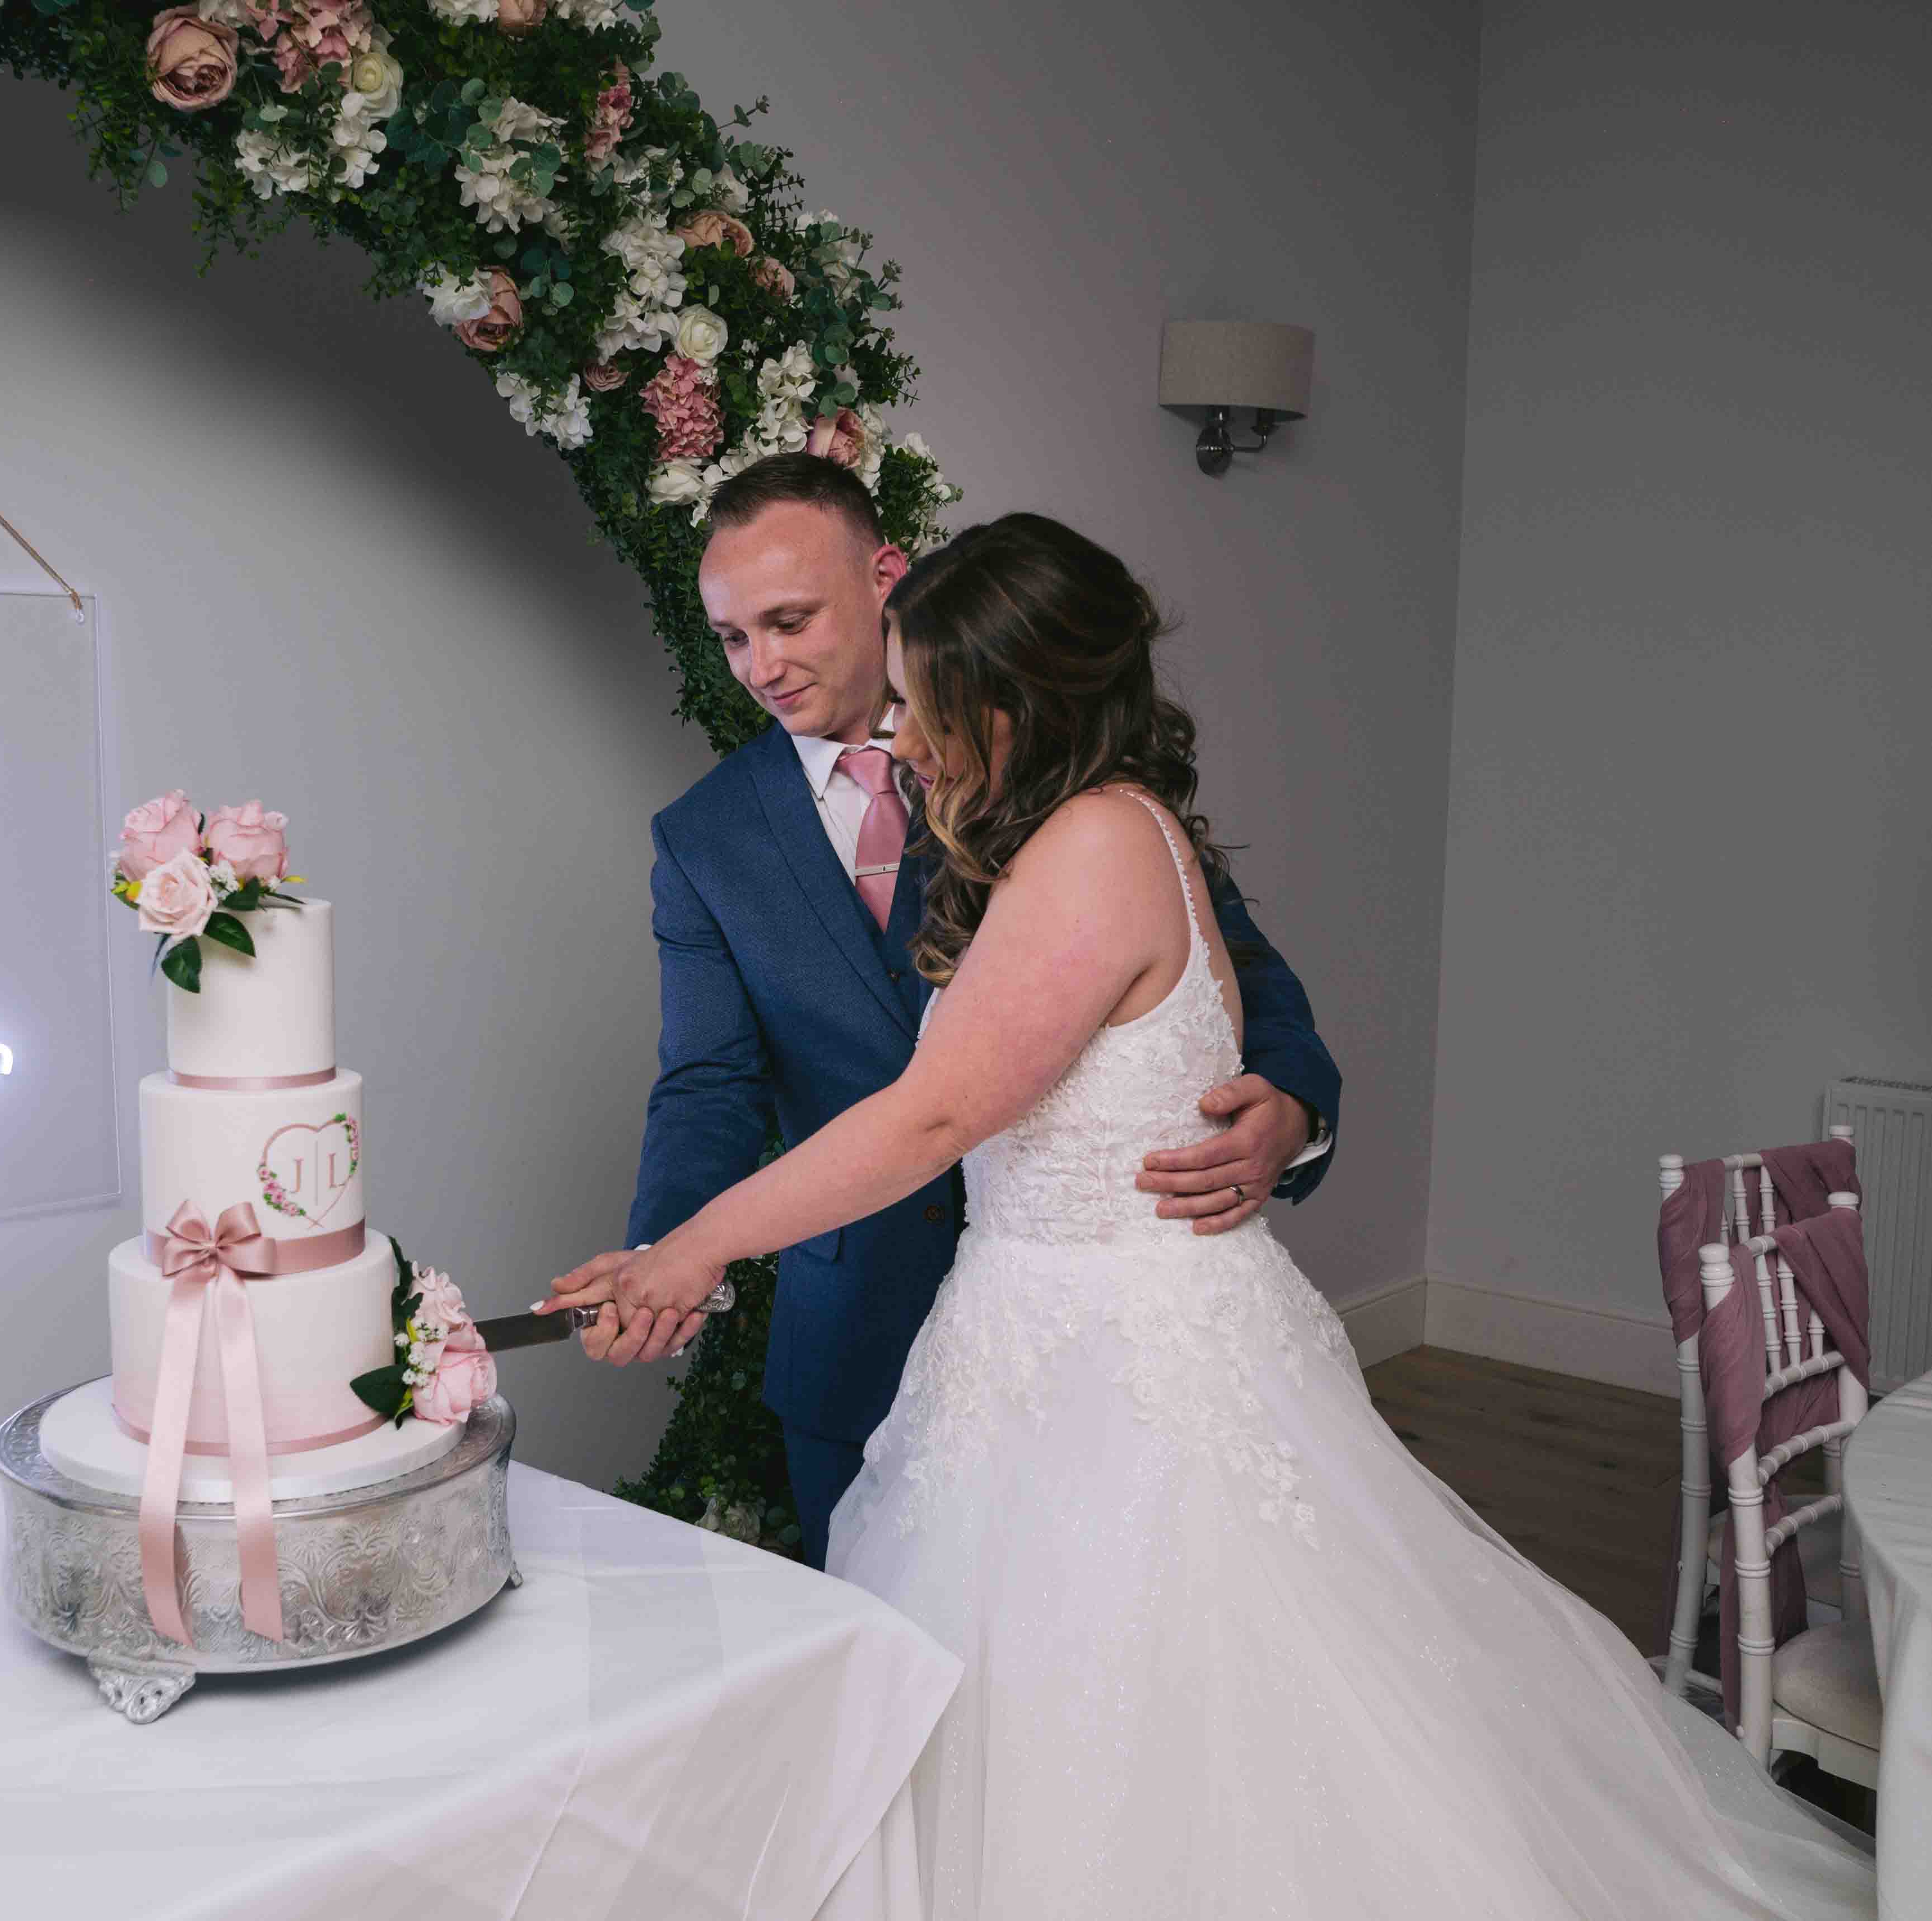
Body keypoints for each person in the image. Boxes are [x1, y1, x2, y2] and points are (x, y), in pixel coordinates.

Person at [547, 515, 1872, 1916]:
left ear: (1003, 695)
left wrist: (691, 1250)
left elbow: (936, 1113)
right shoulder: (1030, 828)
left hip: (1122, 1365)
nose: (913, 742)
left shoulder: (1094, 844)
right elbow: (712, 1080)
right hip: (989, 1344)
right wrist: (670, 1241)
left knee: (1184, 1719)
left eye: (927, 707)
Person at [578, 452, 1339, 1569]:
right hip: (864, 1332)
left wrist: (1291, 1105)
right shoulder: (704, 838)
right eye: (735, 636)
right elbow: (709, 1080)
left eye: (791, 619)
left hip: (1111, 1344)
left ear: (885, 574)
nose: (765, 664)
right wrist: (669, 1252)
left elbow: (1235, 974)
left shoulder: (1061, 794)